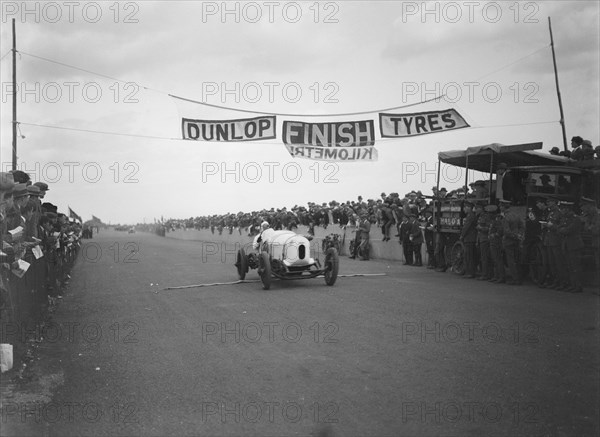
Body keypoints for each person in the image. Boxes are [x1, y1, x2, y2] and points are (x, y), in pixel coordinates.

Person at [557, 201, 584, 293]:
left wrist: (562, 229)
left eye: (563, 209)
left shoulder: (576, 219)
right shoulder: (566, 218)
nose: (561, 211)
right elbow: (559, 228)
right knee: (569, 266)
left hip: (574, 245)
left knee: (575, 267)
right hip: (567, 245)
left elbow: (568, 230)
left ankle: (578, 286)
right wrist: (561, 229)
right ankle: (573, 285)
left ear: (567, 209)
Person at [500, 200, 524, 285]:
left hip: (509, 241)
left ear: (503, 207)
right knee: (517, 260)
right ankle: (519, 278)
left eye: (501, 206)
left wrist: (514, 235)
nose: (500, 207)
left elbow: (506, 231)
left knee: (511, 261)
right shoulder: (516, 215)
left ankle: (515, 279)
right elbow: (522, 226)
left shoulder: (506, 217)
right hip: (516, 241)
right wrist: (519, 235)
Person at [460, 201, 478, 278]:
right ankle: (470, 272)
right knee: (470, 256)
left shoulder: (470, 216)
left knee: (469, 256)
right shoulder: (471, 215)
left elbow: (466, 227)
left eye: (465, 207)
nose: (464, 209)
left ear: (469, 208)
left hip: (469, 238)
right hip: (471, 238)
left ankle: (470, 272)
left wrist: (462, 236)